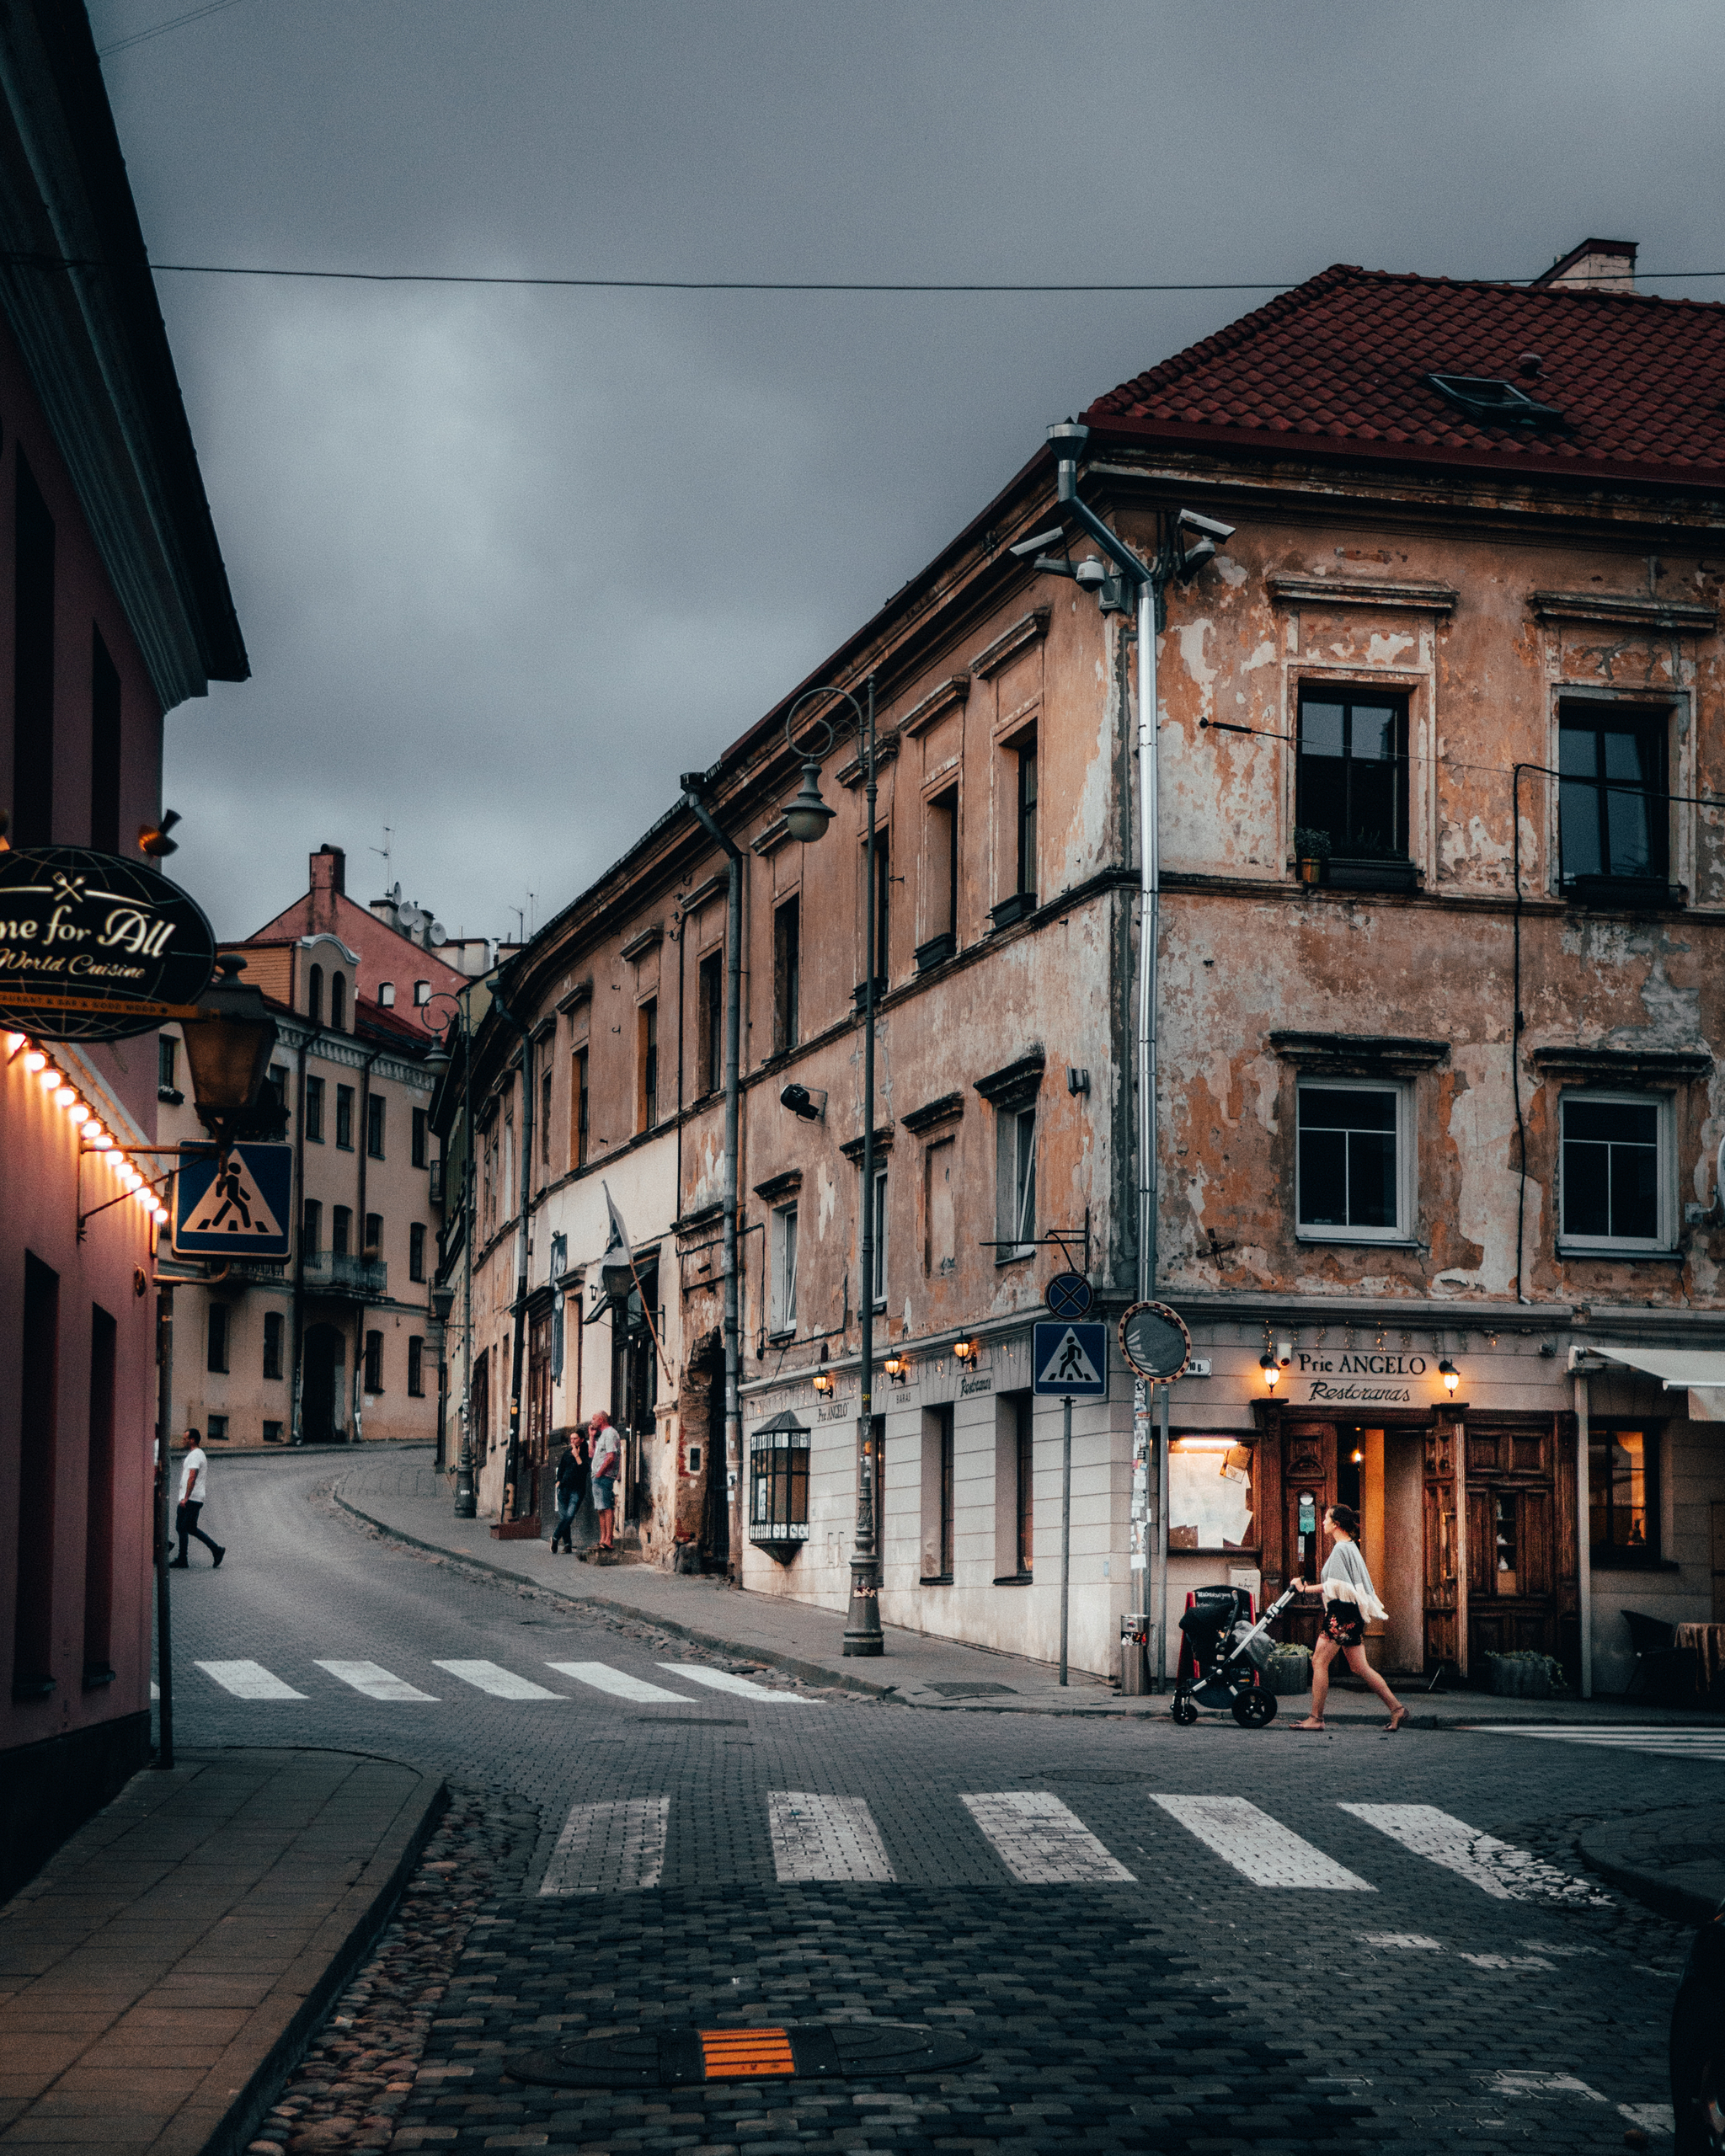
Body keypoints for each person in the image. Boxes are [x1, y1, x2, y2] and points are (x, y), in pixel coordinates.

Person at [1288, 1502, 1405, 1732]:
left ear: (1336, 1524)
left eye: (1326, 1519)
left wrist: (1303, 1589)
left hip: (1342, 1614)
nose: (1323, 1522)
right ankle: (1397, 1709)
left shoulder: (1342, 1549)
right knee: (1360, 1667)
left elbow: (1335, 1586)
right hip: (1351, 1615)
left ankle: (1316, 1718)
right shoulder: (1349, 1547)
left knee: (1319, 1662)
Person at [171, 1428, 225, 1569]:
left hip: (192, 1498)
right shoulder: (197, 1454)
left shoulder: (195, 1455)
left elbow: (192, 1476)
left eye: (185, 1438)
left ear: (192, 1439)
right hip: (194, 1498)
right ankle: (216, 1550)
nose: (183, 1441)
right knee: (189, 1528)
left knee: (183, 1527)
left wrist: (186, 1498)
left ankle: (183, 1559)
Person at [549, 1429, 588, 1554]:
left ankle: (555, 1537)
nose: (572, 1441)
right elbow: (561, 1469)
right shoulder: (566, 1453)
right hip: (563, 1489)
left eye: (575, 1439)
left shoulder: (586, 1453)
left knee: (569, 1516)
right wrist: (558, 1481)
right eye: (571, 1439)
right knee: (564, 1517)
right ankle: (567, 1545)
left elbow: (584, 1470)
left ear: (582, 1439)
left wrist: (577, 1455)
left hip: (577, 1490)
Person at [589, 1412, 620, 1551]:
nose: (592, 1421)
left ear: (601, 1420)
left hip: (604, 1476)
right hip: (597, 1476)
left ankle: (609, 1540)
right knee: (600, 1509)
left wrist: (600, 1473)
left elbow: (611, 1457)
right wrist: (591, 1436)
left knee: (606, 1507)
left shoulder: (610, 1433)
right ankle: (602, 1539)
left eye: (594, 1419)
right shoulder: (601, 1435)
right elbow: (591, 1453)